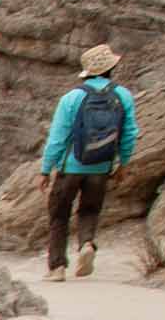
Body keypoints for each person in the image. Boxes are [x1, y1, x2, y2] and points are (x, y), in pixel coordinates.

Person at [41, 40, 137, 281]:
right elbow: (129, 133)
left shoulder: (71, 98)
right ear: (110, 68)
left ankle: (57, 267)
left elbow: (57, 137)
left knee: (59, 215)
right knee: (90, 210)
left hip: (70, 166)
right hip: (101, 166)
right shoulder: (123, 95)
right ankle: (86, 244)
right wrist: (123, 163)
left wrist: (45, 169)